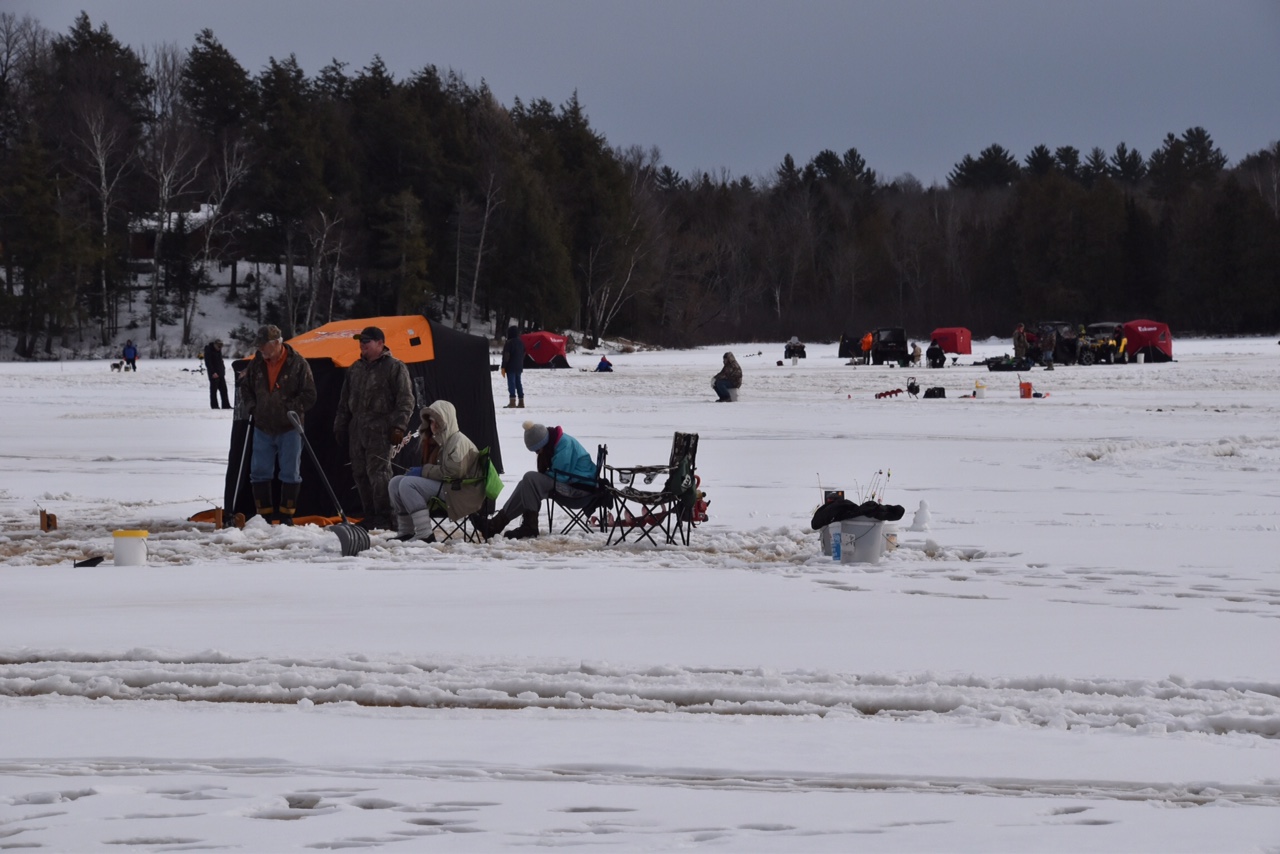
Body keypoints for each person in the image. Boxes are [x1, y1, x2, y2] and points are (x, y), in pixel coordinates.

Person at [334, 326, 415, 530]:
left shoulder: (394, 367)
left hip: (380, 429)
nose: (362, 346)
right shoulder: (355, 368)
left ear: (380, 343)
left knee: (379, 473)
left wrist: (399, 426)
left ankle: (386, 516)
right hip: (357, 429)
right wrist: (340, 425)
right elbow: (344, 401)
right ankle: (369, 514)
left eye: (367, 342)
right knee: (359, 473)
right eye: (361, 342)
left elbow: (406, 399)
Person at [242, 324, 317, 524]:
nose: (260, 349)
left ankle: (286, 516)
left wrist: (290, 409)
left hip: (290, 428)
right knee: (259, 472)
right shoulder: (256, 363)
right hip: (262, 426)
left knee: (290, 472)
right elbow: (246, 389)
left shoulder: (298, 363)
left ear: (276, 344)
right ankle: (263, 517)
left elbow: (310, 395)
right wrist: (252, 407)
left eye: (263, 345)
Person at [472, 420, 596, 540]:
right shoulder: (555, 442)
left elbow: (561, 477)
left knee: (530, 479)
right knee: (526, 483)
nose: (537, 453)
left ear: (543, 443)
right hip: (571, 484)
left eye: (537, 450)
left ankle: (530, 527)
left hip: (580, 490)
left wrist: (539, 479)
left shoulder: (564, 445)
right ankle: (495, 525)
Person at [388, 400, 485, 542]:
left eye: (435, 422)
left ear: (445, 421)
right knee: (395, 483)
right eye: (431, 422)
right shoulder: (442, 441)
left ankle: (424, 534)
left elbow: (454, 472)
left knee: (408, 484)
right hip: (450, 487)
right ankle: (406, 532)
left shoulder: (457, 442)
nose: (432, 426)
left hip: (461, 492)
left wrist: (423, 471)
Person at [501, 325, 526, 409]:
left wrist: (503, 366)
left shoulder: (509, 343)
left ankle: (512, 402)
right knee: (518, 383)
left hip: (511, 366)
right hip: (519, 366)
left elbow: (506, 356)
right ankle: (521, 401)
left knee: (511, 383)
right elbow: (524, 353)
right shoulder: (521, 342)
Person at [203, 339, 232, 410]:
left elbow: (220, 361)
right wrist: (213, 372)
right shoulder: (209, 351)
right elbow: (208, 363)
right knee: (214, 391)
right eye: (219, 346)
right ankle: (214, 406)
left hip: (221, 373)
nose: (220, 348)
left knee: (224, 390)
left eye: (221, 346)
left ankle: (226, 405)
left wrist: (223, 369)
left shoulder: (218, 351)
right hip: (213, 374)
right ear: (215, 345)